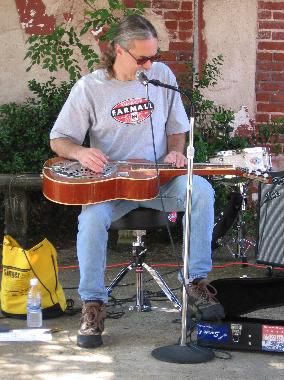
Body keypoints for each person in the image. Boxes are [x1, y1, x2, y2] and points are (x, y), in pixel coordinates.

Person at [50, 14, 225, 349]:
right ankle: (93, 304)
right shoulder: (90, 88)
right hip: (112, 187)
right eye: (142, 58)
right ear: (118, 50)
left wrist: (176, 152)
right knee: (90, 220)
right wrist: (80, 152)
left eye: (153, 57)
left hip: (159, 182)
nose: (149, 64)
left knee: (200, 190)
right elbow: (59, 140)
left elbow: (177, 128)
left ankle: (195, 281)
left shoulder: (160, 76)